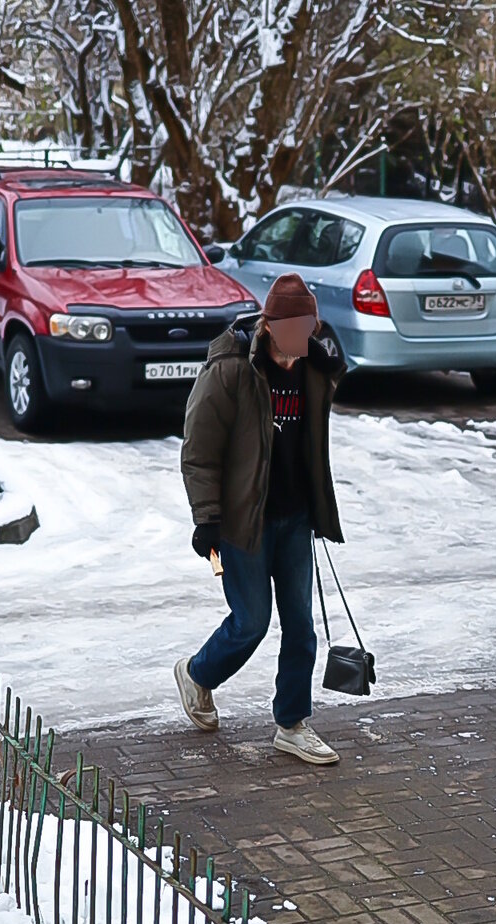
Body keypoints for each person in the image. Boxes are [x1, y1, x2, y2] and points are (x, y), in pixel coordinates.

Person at [175, 273, 347, 765]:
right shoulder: (230, 370)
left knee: (301, 628)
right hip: (242, 521)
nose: (299, 346)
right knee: (251, 623)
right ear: (269, 327)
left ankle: (291, 723)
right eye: (292, 334)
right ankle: (197, 674)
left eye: (308, 332)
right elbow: (199, 452)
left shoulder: (313, 366)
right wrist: (206, 519)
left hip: (295, 518)